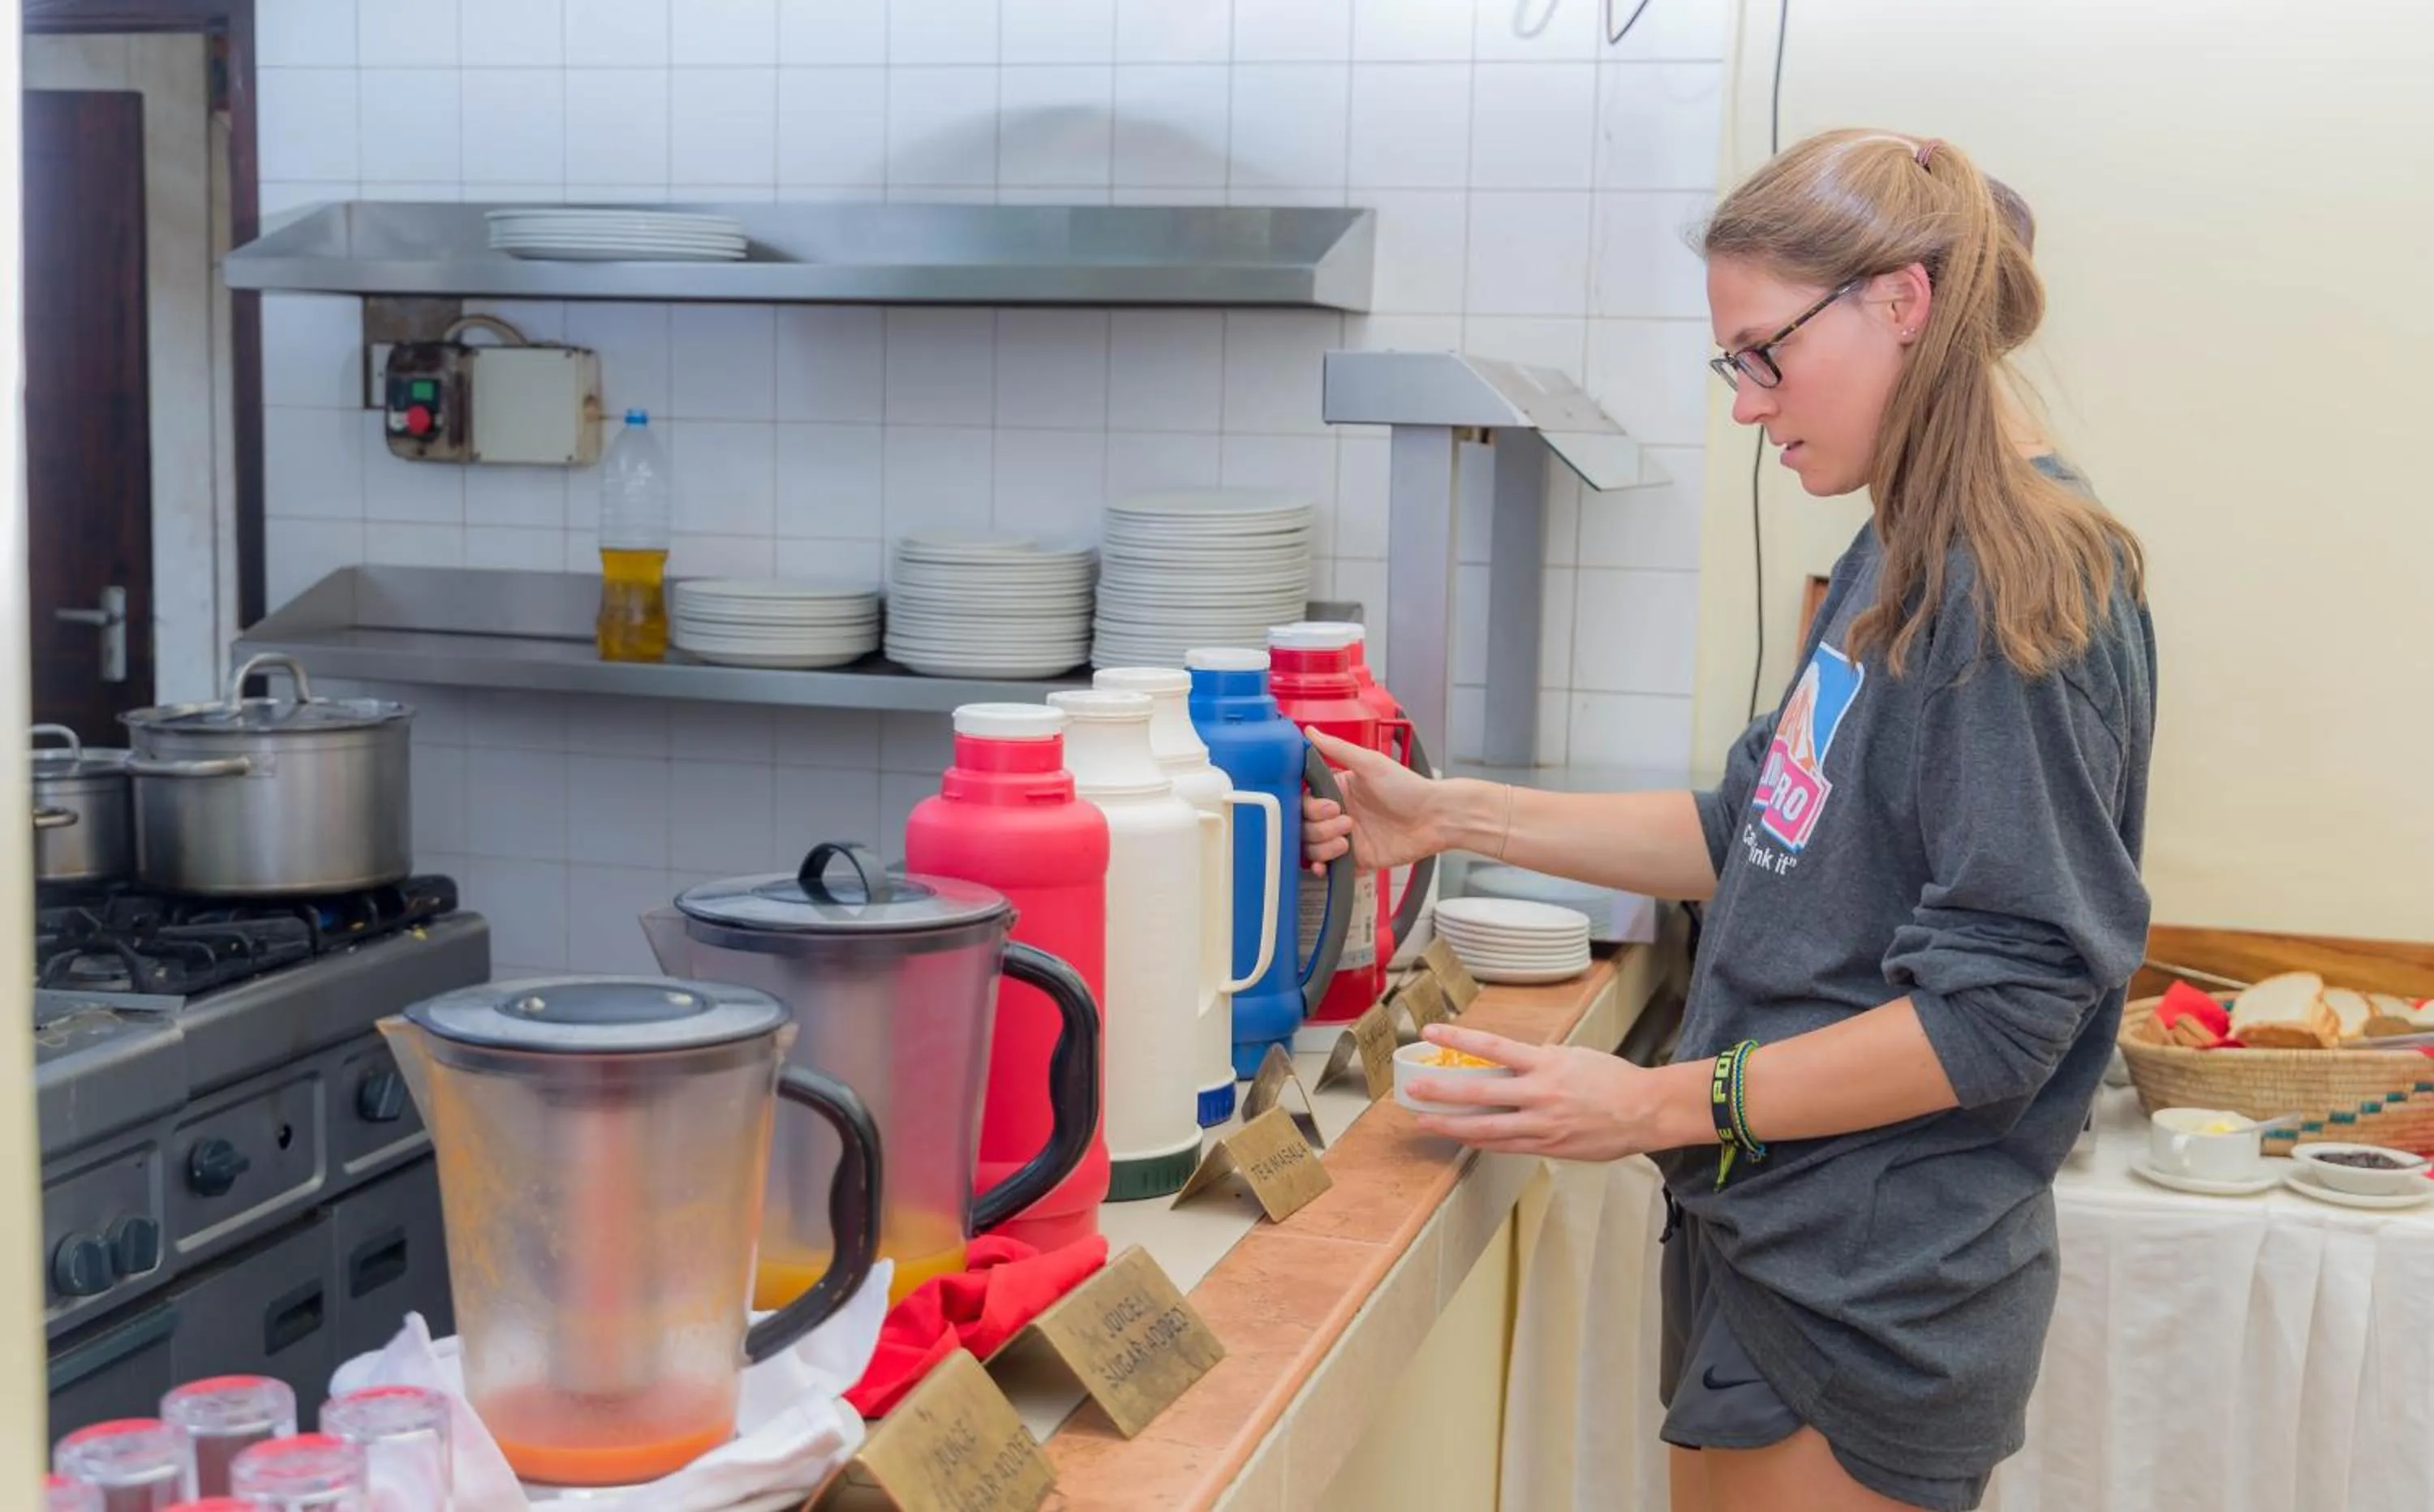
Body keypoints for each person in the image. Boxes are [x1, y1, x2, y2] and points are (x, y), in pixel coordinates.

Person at [1302, 129, 2154, 1512]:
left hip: (1869, 1288)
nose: (1748, 405)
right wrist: (1445, 816)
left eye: (1763, 352)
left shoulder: (2011, 587)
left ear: (1901, 303)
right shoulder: (1901, 541)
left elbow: (1998, 1014)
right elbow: (1753, 829)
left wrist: (1648, 1101)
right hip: (1778, 1237)